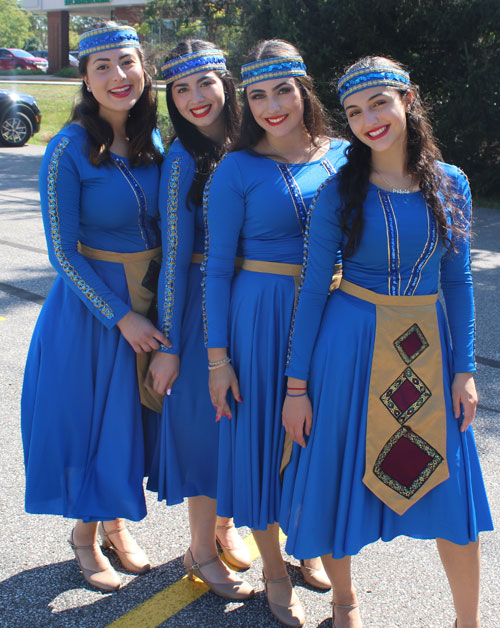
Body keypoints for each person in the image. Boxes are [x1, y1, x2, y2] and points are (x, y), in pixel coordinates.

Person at [280, 56, 493, 628]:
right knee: (336, 474)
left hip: (430, 348)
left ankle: (468, 621)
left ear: (408, 100)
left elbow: (458, 279)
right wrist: (295, 388)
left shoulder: (452, 183)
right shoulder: (338, 192)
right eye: (353, 111)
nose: (368, 119)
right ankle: (346, 603)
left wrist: (465, 369)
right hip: (347, 348)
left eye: (378, 103)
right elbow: (313, 295)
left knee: (454, 496)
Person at [203, 39, 348, 627]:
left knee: (319, 439)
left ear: (303, 89)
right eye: (256, 95)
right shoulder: (237, 167)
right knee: (261, 443)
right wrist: (218, 359)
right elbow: (215, 267)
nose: (271, 106)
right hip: (260, 314)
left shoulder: (343, 154)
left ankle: (309, 543)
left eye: (281, 90)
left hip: (335, 311)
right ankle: (274, 569)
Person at [21, 24, 167, 592]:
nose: (117, 76)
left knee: (133, 421)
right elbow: (62, 250)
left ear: (143, 70)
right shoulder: (67, 148)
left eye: (126, 62)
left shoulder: (155, 142)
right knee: (92, 421)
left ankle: (114, 521)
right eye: (101, 66)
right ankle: (84, 535)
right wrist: (120, 316)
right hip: (94, 309)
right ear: (85, 77)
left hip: (153, 297)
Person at [146, 39, 254, 600]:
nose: (194, 99)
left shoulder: (252, 139)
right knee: (206, 425)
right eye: (180, 89)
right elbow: (172, 257)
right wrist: (170, 344)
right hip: (197, 305)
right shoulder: (181, 161)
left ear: (226, 84)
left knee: (243, 421)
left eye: (204, 83)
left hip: (252, 299)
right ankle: (200, 549)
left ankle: (226, 523)